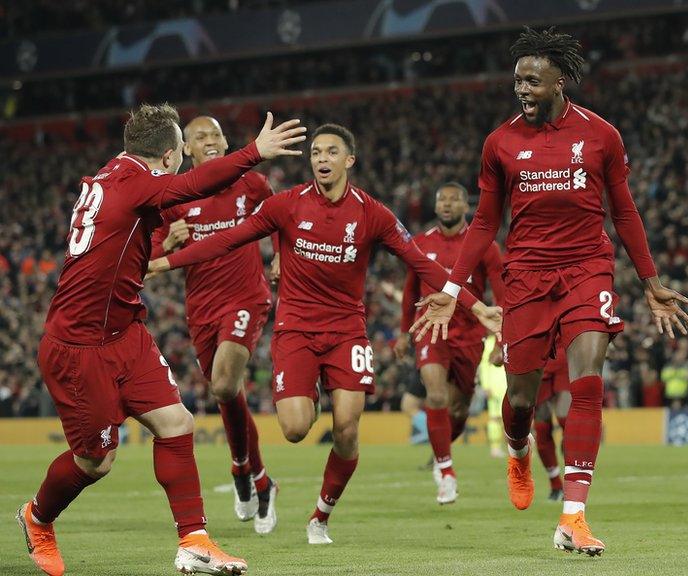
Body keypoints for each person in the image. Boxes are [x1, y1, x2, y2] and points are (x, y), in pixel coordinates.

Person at [148, 124, 502, 545]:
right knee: (296, 429)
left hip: (347, 332)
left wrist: (478, 307)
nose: (321, 159)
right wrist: (164, 263)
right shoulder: (287, 204)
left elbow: (421, 263)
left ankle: (320, 515)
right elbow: (228, 240)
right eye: (316, 152)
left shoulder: (373, 214)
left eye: (331, 152)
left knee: (348, 429)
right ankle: (305, 394)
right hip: (295, 330)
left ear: (349, 160)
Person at [411, 27, 688, 555]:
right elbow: (484, 222)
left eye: (533, 81)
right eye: (517, 80)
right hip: (527, 277)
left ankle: (574, 516)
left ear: (561, 80)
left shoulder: (602, 135)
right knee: (520, 399)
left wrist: (650, 281)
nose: (522, 89)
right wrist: (452, 286)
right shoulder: (500, 142)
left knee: (587, 382)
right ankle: (518, 452)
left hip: (588, 268)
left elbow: (624, 211)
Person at [17, 104, 305, 576]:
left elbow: (128, 243)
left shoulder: (116, 174)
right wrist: (255, 151)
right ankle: (37, 518)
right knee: (95, 461)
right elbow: (194, 185)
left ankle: (193, 541)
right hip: (80, 344)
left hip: (124, 331)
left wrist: (164, 245)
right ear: (172, 155)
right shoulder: (138, 182)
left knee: (176, 423)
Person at [151, 115, 279, 531]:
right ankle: (250, 472)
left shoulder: (251, 185)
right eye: (199, 137)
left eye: (215, 134)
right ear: (186, 149)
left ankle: (247, 470)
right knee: (226, 393)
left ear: (226, 143)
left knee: (225, 383)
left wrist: (279, 254)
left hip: (246, 297)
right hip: (201, 307)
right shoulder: (173, 200)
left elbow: (281, 218)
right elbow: (148, 257)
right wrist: (166, 242)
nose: (209, 140)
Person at [395, 181, 505, 505]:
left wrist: (502, 338)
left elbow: (500, 294)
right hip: (431, 329)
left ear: (465, 206)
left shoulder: (483, 245)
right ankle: (446, 471)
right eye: (441, 199)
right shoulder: (420, 243)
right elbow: (409, 292)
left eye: (454, 200)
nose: (446, 204)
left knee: (459, 407)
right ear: (435, 205)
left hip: (470, 335)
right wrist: (404, 333)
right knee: (437, 393)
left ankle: (441, 448)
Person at [533, 343, 569, 501]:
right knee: (541, 426)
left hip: (566, 353)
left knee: (567, 419)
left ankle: (573, 484)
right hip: (538, 354)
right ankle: (555, 484)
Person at [478, 335, 508, 458]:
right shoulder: (490, 342)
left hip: (509, 383)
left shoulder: (510, 337)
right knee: (495, 418)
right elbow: (484, 365)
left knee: (512, 418)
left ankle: (516, 448)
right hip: (495, 385)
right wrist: (485, 385)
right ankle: (495, 448)